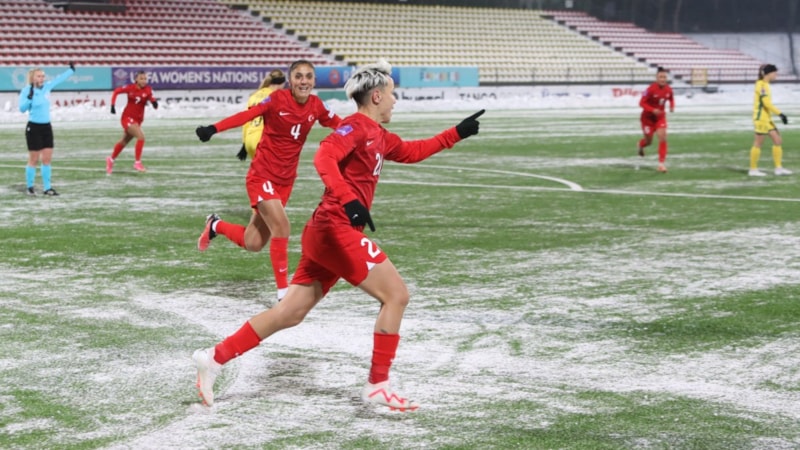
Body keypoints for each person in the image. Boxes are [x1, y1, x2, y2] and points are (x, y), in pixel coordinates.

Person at [191, 60, 485, 412]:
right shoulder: (355, 128)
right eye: (393, 95)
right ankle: (378, 384)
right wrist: (350, 201)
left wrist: (457, 132)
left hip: (327, 231)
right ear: (376, 96)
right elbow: (324, 158)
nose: (395, 101)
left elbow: (411, 151)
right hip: (334, 229)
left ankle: (214, 357)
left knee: (289, 314)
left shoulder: (378, 134)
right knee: (396, 296)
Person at [195, 60, 342, 301]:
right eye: (298, 76)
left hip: (286, 181)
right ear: (290, 80)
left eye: (308, 77)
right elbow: (247, 115)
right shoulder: (276, 100)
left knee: (253, 242)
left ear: (314, 81)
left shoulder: (317, 106)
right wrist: (213, 128)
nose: (303, 81)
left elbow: (340, 125)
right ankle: (284, 292)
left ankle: (215, 225)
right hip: (261, 175)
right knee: (282, 227)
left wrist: (364, 132)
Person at [18, 63, 75, 196]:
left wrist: (71, 71)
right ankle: (30, 187)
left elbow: (59, 79)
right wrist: (29, 99)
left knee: (47, 159)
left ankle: (47, 188)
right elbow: (22, 109)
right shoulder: (27, 90)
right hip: (34, 127)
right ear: (33, 78)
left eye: (43, 76)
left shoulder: (47, 88)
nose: (42, 78)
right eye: (39, 76)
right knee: (34, 159)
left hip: (46, 127)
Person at [106, 71, 158, 174]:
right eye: (141, 78)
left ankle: (111, 159)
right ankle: (137, 162)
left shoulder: (147, 90)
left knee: (124, 141)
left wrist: (154, 103)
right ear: (136, 80)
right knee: (141, 137)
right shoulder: (130, 88)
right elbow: (116, 91)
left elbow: (151, 98)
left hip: (138, 120)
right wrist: (112, 105)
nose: (144, 81)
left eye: (145, 79)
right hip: (127, 118)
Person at [749, 64, 792, 177]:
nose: (776, 75)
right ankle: (753, 170)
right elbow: (766, 104)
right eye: (775, 73)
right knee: (758, 143)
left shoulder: (766, 85)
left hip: (767, 119)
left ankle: (778, 168)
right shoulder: (761, 85)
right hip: (761, 119)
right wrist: (780, 114)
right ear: (769, 73)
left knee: (777, 141)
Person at [236, 69, 287, 161]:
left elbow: (246, 120)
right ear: (281, 83)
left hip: (250, 139)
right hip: (263, 140)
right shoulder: (276, 97)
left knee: (260, 173)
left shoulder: (254, 96)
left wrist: (244, 143)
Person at [637, 67, 674, 173]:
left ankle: (661, 164)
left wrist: (672, 106)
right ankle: (640, 144)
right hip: (647, 119)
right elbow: (641, 103)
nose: (663, 79)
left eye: (664, 77)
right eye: (660, 77)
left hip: (660, 118)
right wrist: (652, 110)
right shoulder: (650, 89)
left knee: (663, 137)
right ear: (656, 78)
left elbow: (671, 98)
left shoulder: (668, 89)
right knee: (648, 142)